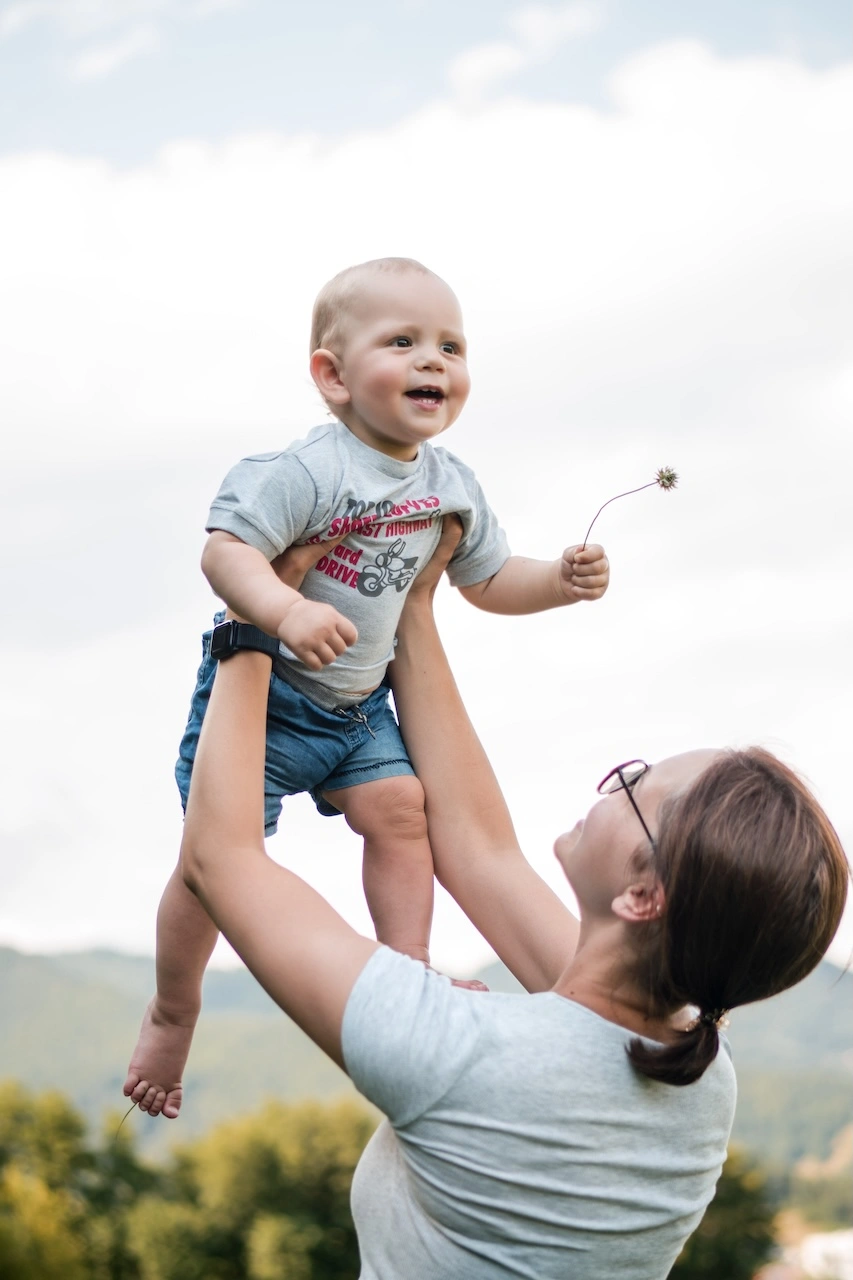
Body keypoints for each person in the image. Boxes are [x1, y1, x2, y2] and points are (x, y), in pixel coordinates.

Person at [125, 523, 849, 1280]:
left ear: (643, 896)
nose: (611, 787)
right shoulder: (697, 1075)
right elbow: (476, 848)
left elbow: (221, 857)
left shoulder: (462, 1054)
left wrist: (252, 624)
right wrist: (414, 601)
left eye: (635, 787)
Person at [126, 254, 609, 1111]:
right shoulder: (305, 472)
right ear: (332, 375)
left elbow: (486, 582)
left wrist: (558, 584)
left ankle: (408, 971)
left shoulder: (450, 485)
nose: (434, 361)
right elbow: (224, 551)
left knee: (402, 812)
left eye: (451, 346)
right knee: (212, 866)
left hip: (357, 710)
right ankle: (172, 1009)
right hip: (268, 706)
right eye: (404, 341)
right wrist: (284, 611)